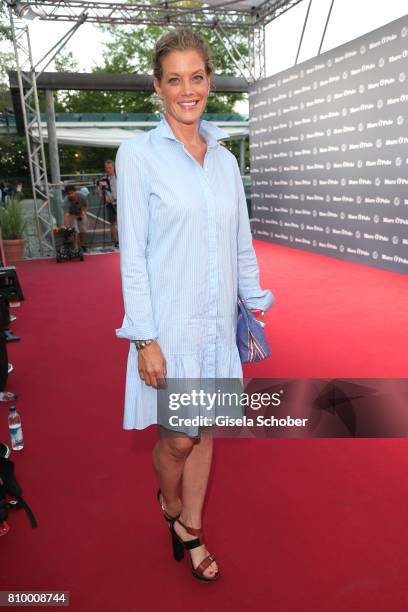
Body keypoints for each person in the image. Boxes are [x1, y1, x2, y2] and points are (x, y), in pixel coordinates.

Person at [115, 28, 274, 583]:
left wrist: (255, 303)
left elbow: (241, 242)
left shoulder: (226, 161)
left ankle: (192, 526)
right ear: (157, 88)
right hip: (170, 325)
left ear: (209, 80)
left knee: (206, 431)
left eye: (198, 77)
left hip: (217, 321)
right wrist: (144, 337)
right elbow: (131, 253)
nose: (188, 90)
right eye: (175, 79)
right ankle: (168, 500)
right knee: (179, 438)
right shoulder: (137, 156)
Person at [97, 160, 119, 248]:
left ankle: (125, 240)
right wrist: (104, 198)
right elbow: (100, 192)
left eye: (110, 168)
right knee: (112, 222)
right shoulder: (103, 179)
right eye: (106, 168)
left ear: (114, 167)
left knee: (123, 222)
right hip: (110, 204)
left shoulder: (120, 177)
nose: (108, 170)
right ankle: (116, 241)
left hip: (121, 203)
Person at [62, 185, 88, 251]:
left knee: (83, 229)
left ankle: (82, 245)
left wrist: (83, 213)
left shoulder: (82, 196)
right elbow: (66, 215)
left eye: (72, 193)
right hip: (71, 214)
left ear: (75, 192)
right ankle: (75, 247)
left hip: (80, 212)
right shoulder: (65, 202)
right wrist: (67, 227)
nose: (71, 195)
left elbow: (85, 206)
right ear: (67, 194)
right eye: (69, 194)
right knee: (73, 231)